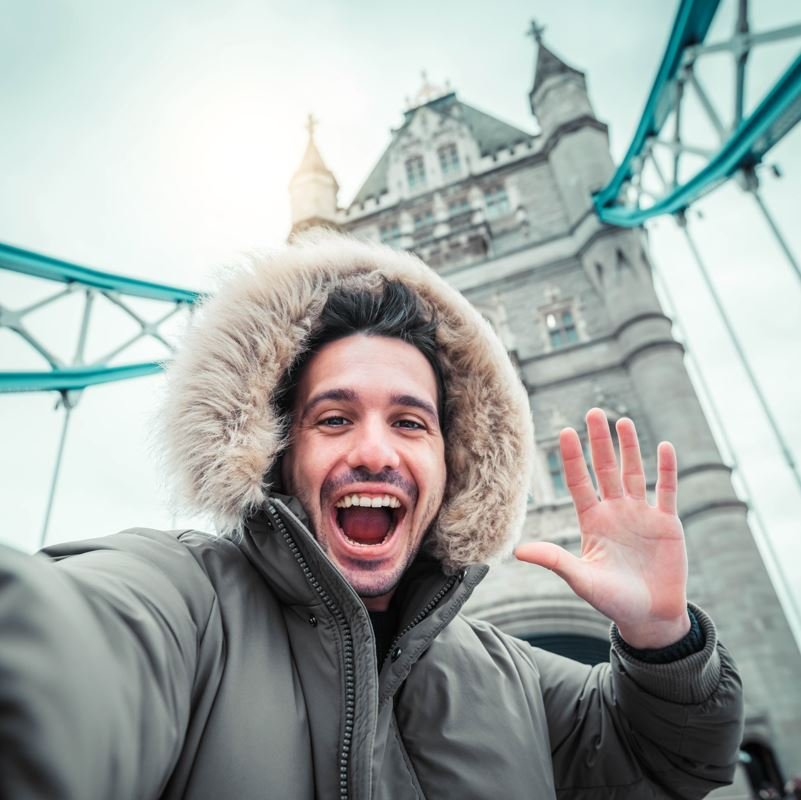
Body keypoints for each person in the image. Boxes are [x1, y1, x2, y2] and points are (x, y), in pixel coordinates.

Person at [0, 232, 743, 799]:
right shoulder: (184, 605)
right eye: (332, 418)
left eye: (411, 423)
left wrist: (660, 642)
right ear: (278, 454)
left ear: (455, 466)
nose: (374, 451)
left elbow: (674, 757)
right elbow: (60, 659)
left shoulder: (514, 674)